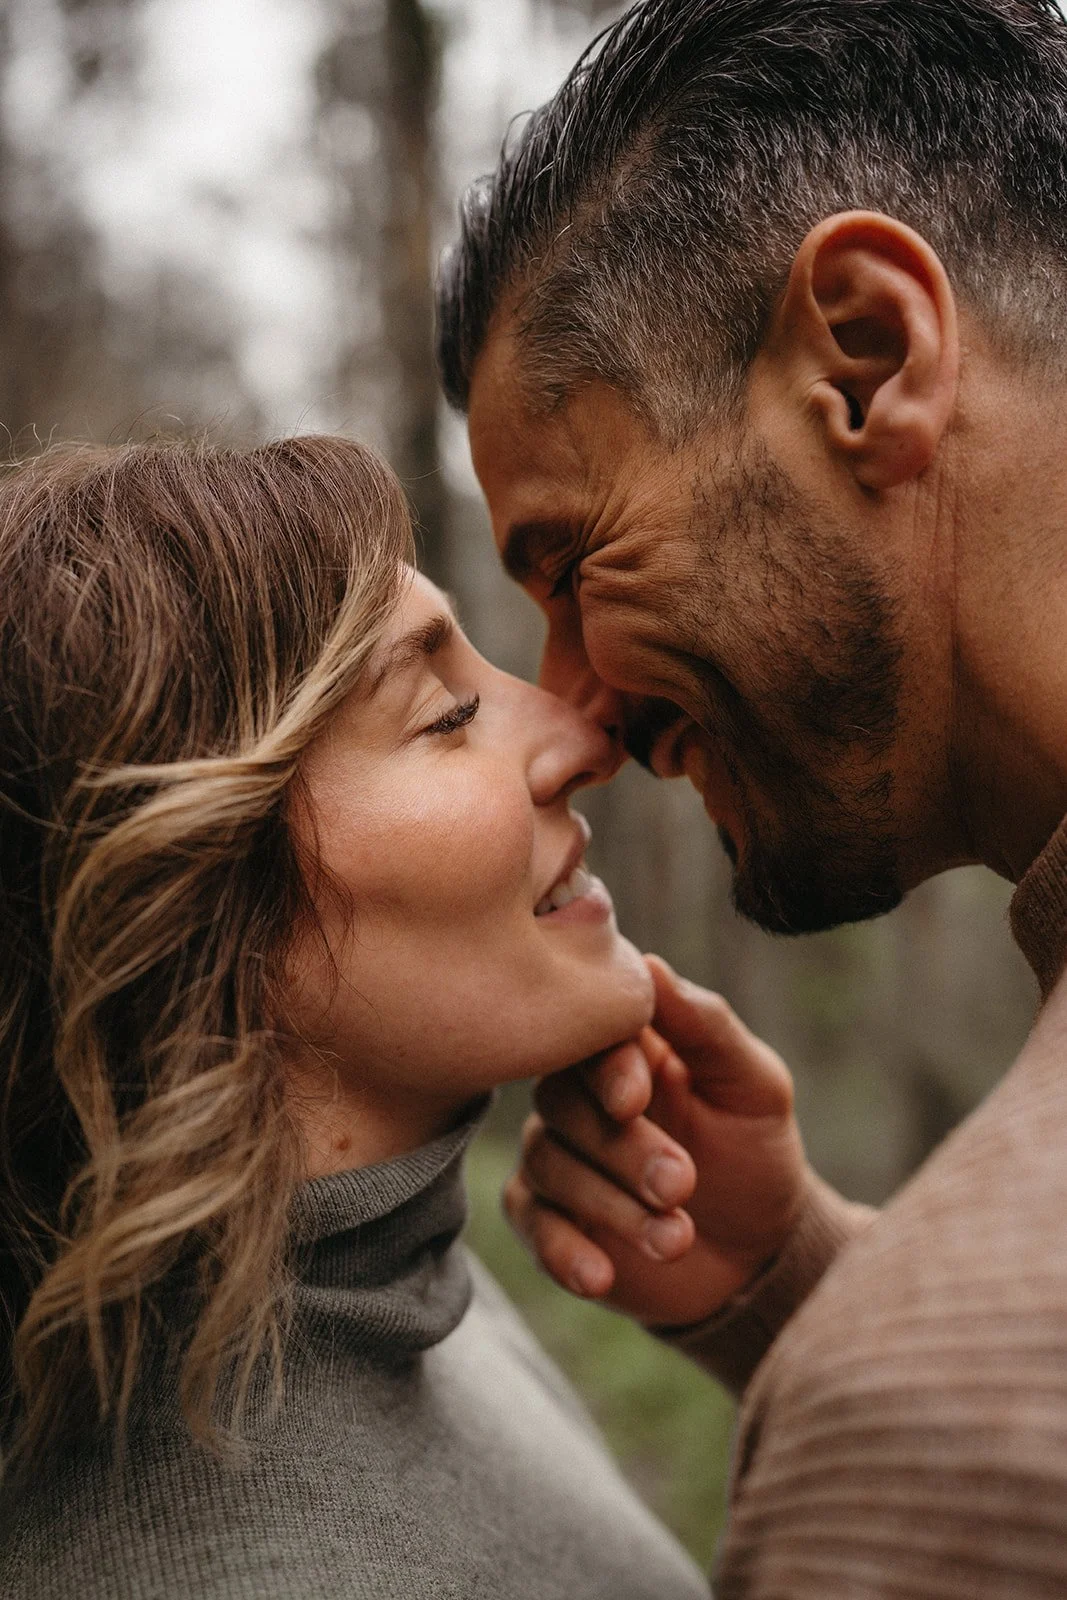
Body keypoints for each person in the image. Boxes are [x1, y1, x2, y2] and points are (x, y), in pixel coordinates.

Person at [435, 0, 1067, 1593]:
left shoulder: (948, 1413)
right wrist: (800, 1281)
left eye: (569, 563)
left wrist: (887, 1389)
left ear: (862, 356)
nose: (574, 710)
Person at [0, 435, 715, 1600]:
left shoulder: (374, 1294)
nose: (588, 737)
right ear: (187, 904)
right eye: (445, 713)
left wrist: (773, 1285)